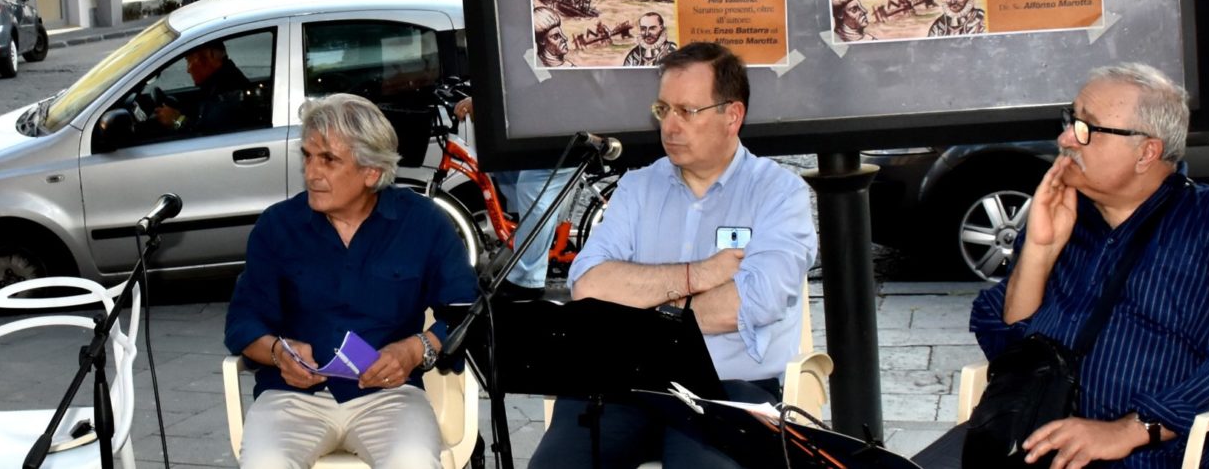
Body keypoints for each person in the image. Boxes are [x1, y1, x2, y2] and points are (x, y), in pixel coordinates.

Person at [911, 63, 1209, 468]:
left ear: (1146, 152)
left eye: (1086, 129)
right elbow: (1008, 348)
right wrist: (1040, 249)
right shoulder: (1067, 215)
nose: (1064, 139)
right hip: (1033, 442)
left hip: (1157, 455)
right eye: (1070, 120)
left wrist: (1128, 430)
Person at [532, 42, 817, 468]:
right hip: (627, 383)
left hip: (730, 389)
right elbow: (589, 286)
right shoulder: (636, 188)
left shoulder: (778, 193)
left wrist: (639, 305)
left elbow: (753, 301)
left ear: (732, 116)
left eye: (688, 111)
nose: (670, 125)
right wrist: (700, 274)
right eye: (663, 109)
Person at [224, 93, 478, 469]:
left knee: (413, 462)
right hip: (291, 396)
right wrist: (279, 353)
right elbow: (242, 324)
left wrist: (415, 349)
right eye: (308, 156)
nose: (312, 173)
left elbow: (466, 311)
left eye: (328, 159)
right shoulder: (277, 226)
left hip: (390, 395)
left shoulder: (422, 223)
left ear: (371, 171)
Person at [150, 39, 254, 137]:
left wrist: (176, 121)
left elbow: (201, 139)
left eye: (189, 60)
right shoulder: (220, 83)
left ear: (209, 55)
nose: (188, 70)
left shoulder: (226, 95)